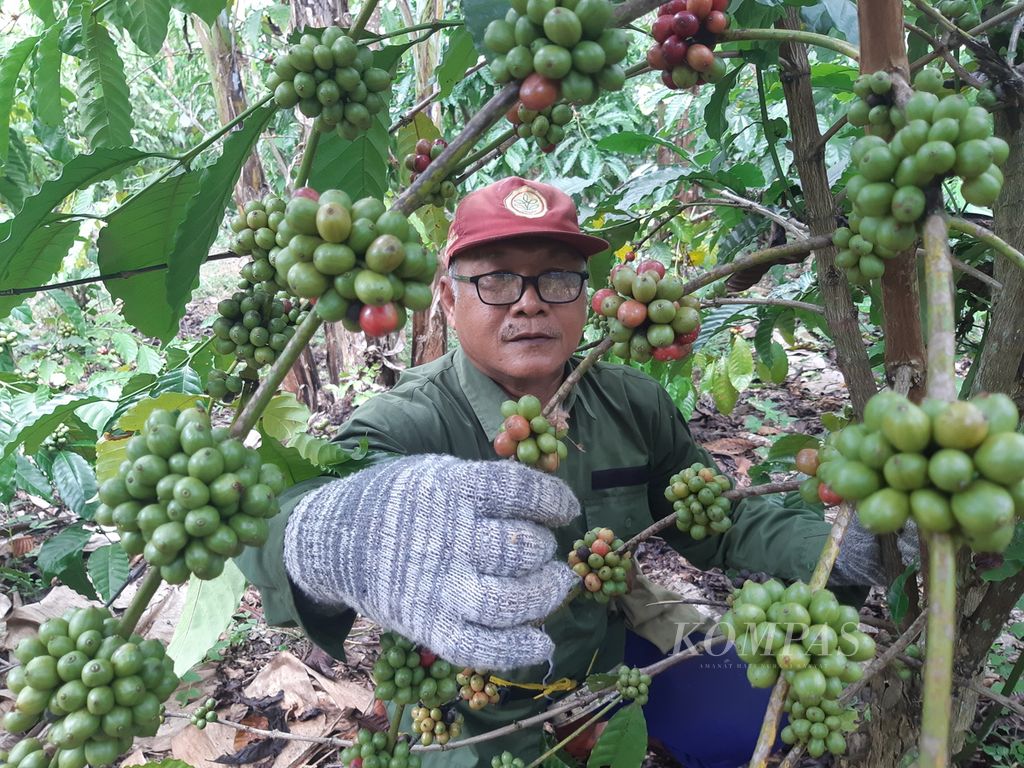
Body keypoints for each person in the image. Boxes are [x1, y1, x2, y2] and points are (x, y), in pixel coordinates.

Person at [237, 177, 888, 767]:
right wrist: (336, 533)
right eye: (495, 280)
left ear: (586, 293)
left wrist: (836, 548)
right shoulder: (409, 420)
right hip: (468, 706)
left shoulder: (632, 402)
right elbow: (280, 522)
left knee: (747, 726)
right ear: (446, 297)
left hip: (605, 662)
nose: (529, 304)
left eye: (556, 279)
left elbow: (719, 518)